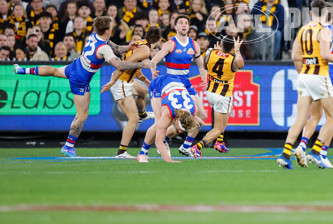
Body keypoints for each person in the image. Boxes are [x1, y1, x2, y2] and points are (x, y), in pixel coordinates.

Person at [13, 16, 151, 157]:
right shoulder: (103, 48)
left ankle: (23, 70)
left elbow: (116, 48)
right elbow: (120, 65)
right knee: (82, 115)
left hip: (75, 66)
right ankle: (68, 146)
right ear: (108, 30)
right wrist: (142, 64)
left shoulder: (95, 36)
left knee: (54, 71)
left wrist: (129, 47)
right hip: (80, 80)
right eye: (111, 26)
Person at [277, 0, 333, 170]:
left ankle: (285, 154)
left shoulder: (303, 29)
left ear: (311, 13)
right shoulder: (324, 30)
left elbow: (294, 56)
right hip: (320, 76)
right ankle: (316, 151)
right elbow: (326, 55)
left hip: (304, 76)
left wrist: (303, 72)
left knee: (301, 119)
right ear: (326, 14)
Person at [294, 13, 333, 169]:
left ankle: (302, 146)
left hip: (312, 74)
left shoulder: (313, 31)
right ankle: (321, 153)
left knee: (315, 116)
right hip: (328, 74)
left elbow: (297, 55)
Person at [150, 14, 208, 158]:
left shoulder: (194, 45)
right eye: (181, 23)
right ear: (175, 27)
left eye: (186, 23)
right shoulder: (170, 43)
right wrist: (153, 68)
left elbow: (201, 67)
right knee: (166, 119)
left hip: (186, 83)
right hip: (171, 82)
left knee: (202, 115)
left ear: (188, 27)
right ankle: (162, 140)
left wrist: (204, 80)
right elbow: (155, 59)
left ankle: (186, 146)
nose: (184, 25)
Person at [100, 26, 162, 158]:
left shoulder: (141, 43)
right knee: (133, 119)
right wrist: (112, 82)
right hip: (121, 82)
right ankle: (121, 152)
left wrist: (144, 79)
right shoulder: (145, 50)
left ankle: (143, 115)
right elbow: (123, 66)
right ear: (159, 40)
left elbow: (132, 66)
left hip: (128, 80)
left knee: (143, 91)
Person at [190, 35, 244, 156]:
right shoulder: (233, 58)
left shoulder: (210, 52)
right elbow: (241, 65)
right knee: (218, 128)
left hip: (211, 92)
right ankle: (198, 147)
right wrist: (237, 49)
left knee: (225, 116)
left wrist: (216, 51)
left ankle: (220, 142)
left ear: (221, 44)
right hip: (223, 95)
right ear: (232, 47)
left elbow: (205, 66)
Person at [141, 79, 200, 163]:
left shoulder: (194, 110)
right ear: (177, 119)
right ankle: (143, 153)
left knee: (174, 130)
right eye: (181, 128)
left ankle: (165, 140)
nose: (180, 132)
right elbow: (158, 142)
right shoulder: (168, 112)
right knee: (158, 123)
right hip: (158, 85)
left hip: (175, 84)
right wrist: (169, 161)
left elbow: (194, 120)